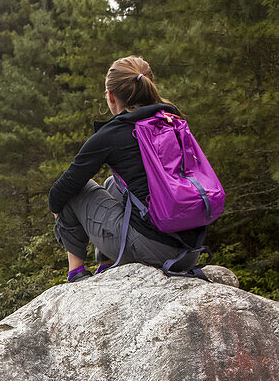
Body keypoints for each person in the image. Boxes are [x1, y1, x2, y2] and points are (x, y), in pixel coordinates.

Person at [48, 56, 206, 282]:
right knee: (114, 183)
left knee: (76, 190)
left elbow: (59, 192)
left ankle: (76, 273)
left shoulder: (113, 133)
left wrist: (58, 210)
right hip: (189, 251)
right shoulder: (172, 120)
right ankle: (107, 264)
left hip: (153, 251)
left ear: (111, 96)